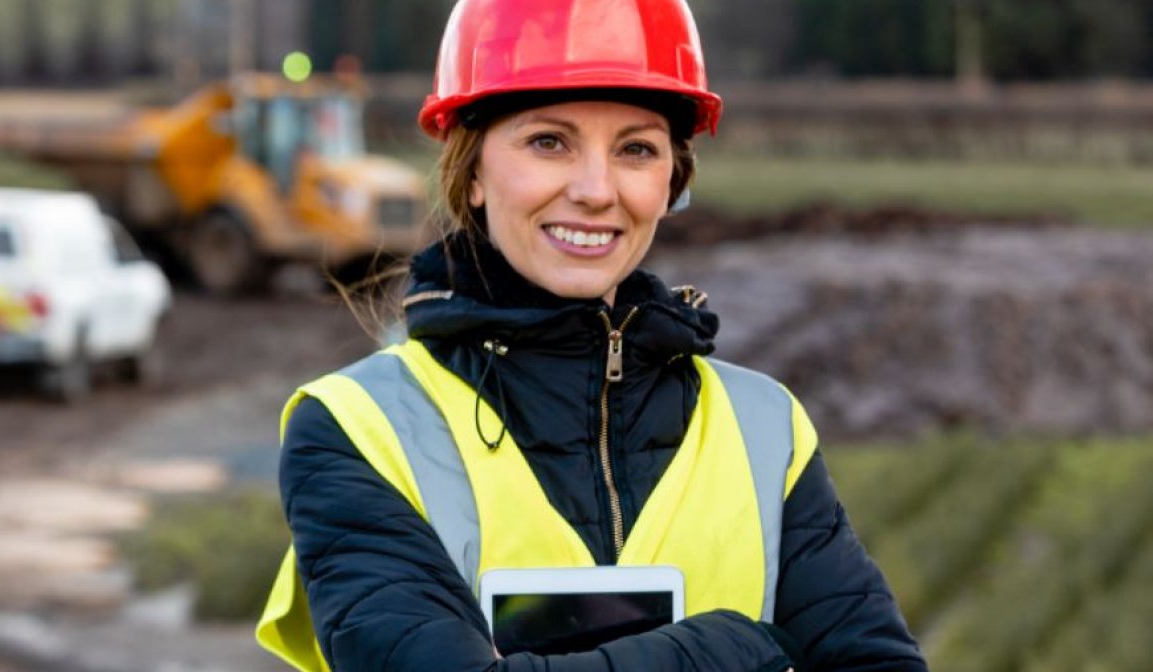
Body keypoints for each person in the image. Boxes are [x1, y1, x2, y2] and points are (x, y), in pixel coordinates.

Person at [257, 0, 929, 670]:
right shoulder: (358, 429)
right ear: (473, 173)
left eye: (635, 149)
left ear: (671, 181)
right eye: (549, 141)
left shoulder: (764, 428)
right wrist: (732, 648)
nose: (595, 189)